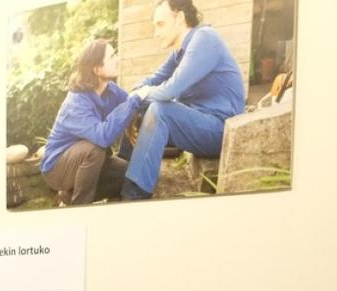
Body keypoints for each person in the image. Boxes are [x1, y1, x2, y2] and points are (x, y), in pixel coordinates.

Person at [122, 0, 245, 200]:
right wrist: (132, 101)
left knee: (160, 110)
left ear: (179, 18)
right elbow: (153, 79)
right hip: (198, 123)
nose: (156, 33)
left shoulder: (204, 39)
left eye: (160, 24)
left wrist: (136, 99)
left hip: (220, 130)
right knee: (140, 107)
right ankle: (122, 171)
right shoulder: (179, 51)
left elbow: (168, 91)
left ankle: (134, 194)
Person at [41, 39, 143, 206]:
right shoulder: (76, 103)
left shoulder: (110, 89)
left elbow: (132, 104)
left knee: (129, 173)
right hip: (57, 168)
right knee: (94, 148)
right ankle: (80, 205)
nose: (117, 59)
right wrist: (132, 103)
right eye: (112, 57)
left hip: (89, 161)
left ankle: (69, 195)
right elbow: (102, 137)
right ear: (97, 69)